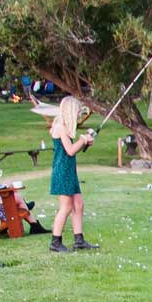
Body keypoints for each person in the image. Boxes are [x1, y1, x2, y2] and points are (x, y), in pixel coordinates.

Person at [48, 95, 98, 252]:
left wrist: (85, 143)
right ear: (70, 110)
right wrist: (82, 140)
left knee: (78, 204)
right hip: (62, 172)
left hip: (69, 171)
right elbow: (70, 151)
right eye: (78, 111)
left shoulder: (65, 128)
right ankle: (55, 242)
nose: (79, 114)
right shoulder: (60, 127)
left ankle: (79, 240)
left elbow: (72, 149)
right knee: (66, 206)